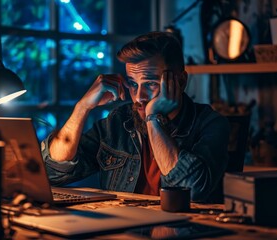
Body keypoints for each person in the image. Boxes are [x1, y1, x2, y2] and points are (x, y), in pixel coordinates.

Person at [41, 31, 230, 203]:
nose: (139, 97)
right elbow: (51, 173)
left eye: (150, 84)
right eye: (133, 83)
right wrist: (82, 107)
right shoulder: (119, 122)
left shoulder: (211, 124)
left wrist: (153, 118)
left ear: (180, 81)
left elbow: (192, 191)